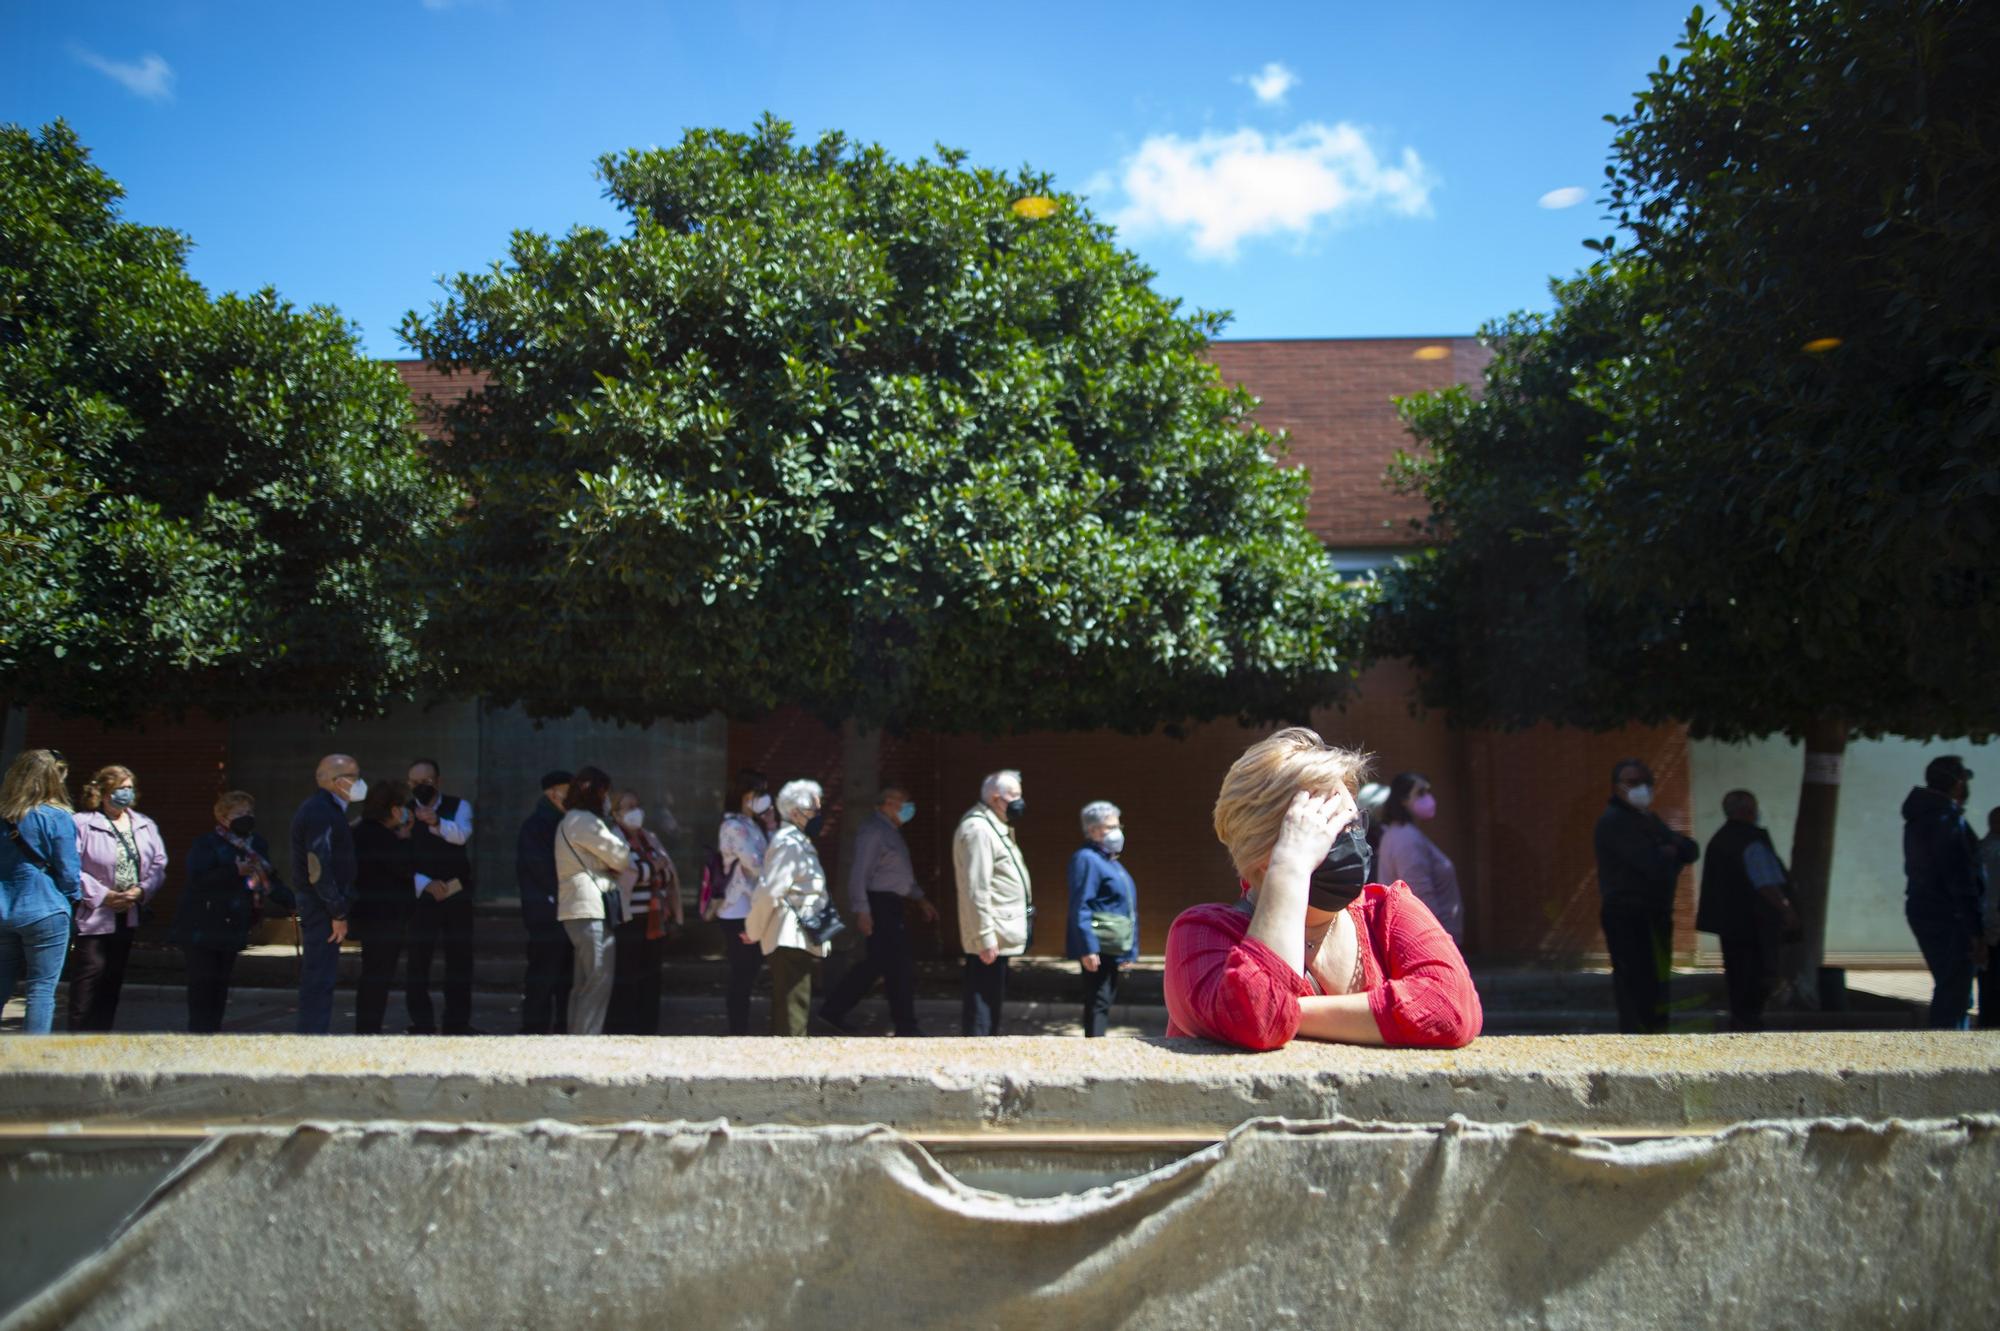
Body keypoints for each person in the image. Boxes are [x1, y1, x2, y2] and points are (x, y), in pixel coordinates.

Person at [1162, 728, 1481, 1050]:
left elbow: (1449, 1011)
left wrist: (1292, 1011)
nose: (1356, 840)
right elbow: (1258, 1019)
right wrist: (1290, 868)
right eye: (1329, 827)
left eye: (1355, 824)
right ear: (1264, 852)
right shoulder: (1201, 933)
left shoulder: (1389, 911)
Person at [818, 785, 937, 1036]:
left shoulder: (890, 831)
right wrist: (862, 910)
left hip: (891, 903)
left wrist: (920, 898)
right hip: (879, 904)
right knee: (893, 965)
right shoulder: (874, 831)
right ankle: (905, 1024)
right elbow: (860, 873)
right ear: (887, 803)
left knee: (882, 964)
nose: (907, 807)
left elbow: (898, 875)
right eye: (902, 801)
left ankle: (835, 1010)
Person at [1593, 758, 1699, 1034]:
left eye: (1644, 782)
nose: (1640, 788)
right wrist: (1667, 852)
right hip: (1628, 912)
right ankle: (1639, 1033)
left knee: (1655, 980)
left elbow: (1689, 849)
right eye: (1631, 782)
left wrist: (1669, 849)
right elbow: (1650, 864)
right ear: (1617, 787)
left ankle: (1654, 1029)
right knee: (1636, 980)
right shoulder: (1615, 822)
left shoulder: (1647, 819)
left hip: (1654, 910)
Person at [173, 791, 293, 1033]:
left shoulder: (256, 845)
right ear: (224, 817)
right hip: (202, 927)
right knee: (202, 986)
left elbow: (268, 880)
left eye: (249, 813)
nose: (246, 817)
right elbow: (198, 880)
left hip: (232, 925)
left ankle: (213, 1033)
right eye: (240, 813)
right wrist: (232, 871)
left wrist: (292, 902)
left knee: (220, 986)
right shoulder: (207, 844)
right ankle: (198, 1035)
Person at [68, 764, 169, 1030]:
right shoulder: (82, 823)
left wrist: (141, 890)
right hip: (94, 916)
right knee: (89, 977)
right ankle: (77, 1040)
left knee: (112, 979)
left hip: (128, 914)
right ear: (102, 791)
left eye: (129, 788)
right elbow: (70, 866)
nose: (125, 793)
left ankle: (102, 1036)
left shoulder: (144, 824)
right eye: (119, 788)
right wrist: (102, 895)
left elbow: (159, 864)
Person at [1696, 790, 1801, 1033]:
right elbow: (1764, 883)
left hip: (1732, 925)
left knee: (1739, 978)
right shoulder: (1748, 840)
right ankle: (1748, 1024)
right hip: (1754, 925)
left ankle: (1743, 1021)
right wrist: (1786, 909)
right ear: (1746, 811)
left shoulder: (1721, 839)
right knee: (1756, 978)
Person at [0, 750, 82, 1034]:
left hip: (3, 907)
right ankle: (32, 1064)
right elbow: (69, 871)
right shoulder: (57, 817)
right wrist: (75, 899)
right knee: (41, 990)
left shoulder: (4, 814)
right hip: (45, 908)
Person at [744, 779, 833, 1037]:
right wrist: (754, 929)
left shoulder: (797, 842)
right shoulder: (788, 843)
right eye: (814, 811)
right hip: (789, 937)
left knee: (794, 1008)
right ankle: (789, 1072)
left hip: (799, 937)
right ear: (796, 813)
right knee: (792, 1015)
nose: (818, 816)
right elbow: (770, 891)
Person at [1903, 755, 1985, 1030]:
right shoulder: (1945, 820)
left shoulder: (1921, 817)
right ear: (1958, 783)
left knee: (1951, 985)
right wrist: (1975, 928)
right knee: (1955, 991)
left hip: (1926, 907)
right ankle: (1947, 1055)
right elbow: (1959, 875)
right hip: (1949, 914)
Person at [554, 766, 633, 1036]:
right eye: (606, 793)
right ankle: (587, 1041)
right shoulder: (584, 821)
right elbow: (621, 857)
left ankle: (577, 1040)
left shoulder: (570, 820)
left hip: (576, 908)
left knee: (583, 982)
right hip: (590, 908)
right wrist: (613, 859)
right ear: (598, 792)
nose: (608, 799)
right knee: (598, 979)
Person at [953, 769, 1032, 1036]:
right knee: (982, 1007)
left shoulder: (994, 826)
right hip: (990, 935)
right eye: (1015, 796)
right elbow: (977, 888)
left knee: (991, 1001)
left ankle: (983, 1052)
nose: (1020, 801)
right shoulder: (979, 830)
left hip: (999, 930)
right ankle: (977, 1061)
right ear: (996, 798)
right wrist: (985, 936)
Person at [404, 758, 479, 1035]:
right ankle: (421, 1022)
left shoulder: (459, 807)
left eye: (424, 782)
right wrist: (424, 883)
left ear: (437, 781)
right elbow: (400, 855)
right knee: (418, 960)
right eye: (413, 783)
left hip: (456, 892)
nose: (418, 788)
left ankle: (457, 1022)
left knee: (460, 959)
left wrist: (436, 822)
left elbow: (461, 836)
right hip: (422, 896)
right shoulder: (404, 812)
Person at [290, 754, 362, 1035]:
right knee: (319, 977)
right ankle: (312, 1039)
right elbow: (318, 866)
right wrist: (337, 911)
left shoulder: (326, 809)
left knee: (320, 975)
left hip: (322, 904)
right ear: (337, 781)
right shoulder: (321, 811)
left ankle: (313, 1035)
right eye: (354, 777)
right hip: (321, 907)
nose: (359, 782)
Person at [605, 788, 681, 1035]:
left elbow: (668, 871)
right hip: (628, 919)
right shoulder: (612, 839)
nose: (636, 812)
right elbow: (627, 872)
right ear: (615, 813)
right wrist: (651, 868)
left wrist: (647, 868)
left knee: (651, 977)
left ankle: (647, 1030)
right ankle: (623, 1030)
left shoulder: (650, 837)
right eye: (628, 807)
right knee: (626, 977)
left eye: (637, 805)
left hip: (654, 920)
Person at [1067, 800, 1137, 1039]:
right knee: (1098, 1000)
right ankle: (1094, 1050)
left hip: (1114, 946)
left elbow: (1126, 906)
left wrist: (1130, 950)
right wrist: (1087, 947)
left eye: (1118, 825)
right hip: (1099, 944)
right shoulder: (1087, 859)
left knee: (1105, 999)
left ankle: (1097, 1046)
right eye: (1110, 827)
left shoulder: (1110, 860)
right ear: (1093, 830)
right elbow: (1081, 905)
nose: (1117, 832)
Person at [351, 779, 416, 1035]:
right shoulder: (381, 836)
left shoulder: (361, 832)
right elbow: (404, 867)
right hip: (384, 917)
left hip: (369, 914)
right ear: (393, 809)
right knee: (378, 975)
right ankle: (369, 1029)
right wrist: (406, 837)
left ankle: (367, 1027)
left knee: (372, 974)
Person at [1373, 771, 1465, 948]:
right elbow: (1420, 893)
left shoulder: (1400, 833)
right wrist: (1438, 940)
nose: (1428, 799)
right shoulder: (1406, 838)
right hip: (1430, 941)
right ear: (1403, 799)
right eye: (1421, 793)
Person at [715, 769, 772, 1036]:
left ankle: (741, 1027)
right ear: (744, 795)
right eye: (758, 793)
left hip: (754, 907)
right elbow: (756, 864)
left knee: (750, 972)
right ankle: (738, 1030)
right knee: (742, 973)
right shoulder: (734, 826)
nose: (764, 799)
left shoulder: (753, 825)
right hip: (738, 909)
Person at [516, 769, 573, 1034]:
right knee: (543, 976)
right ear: (552, 793)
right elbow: (540, 869)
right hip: (546, 914)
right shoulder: (536, 825)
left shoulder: (569, 822)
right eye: (567, 790)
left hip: (567, 912)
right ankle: (534, 1032)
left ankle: (563, 1030)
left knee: (566, 978)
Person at [1979, 807, 2000, 1030]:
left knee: (1989, 985)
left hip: (1988, 928)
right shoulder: (1995, 853)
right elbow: (1993, 897)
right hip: (1995, 930)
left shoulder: (1983, 848)